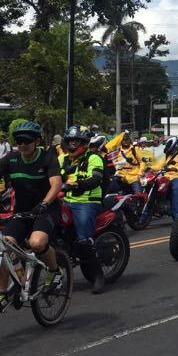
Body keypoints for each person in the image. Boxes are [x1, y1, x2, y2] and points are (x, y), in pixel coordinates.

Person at [0, 121, 63, 303]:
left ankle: (55, 271)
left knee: (36, 243)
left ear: (37, 141)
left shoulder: (48, 158)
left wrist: (44, 203)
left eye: (27, 141)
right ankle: (2, 293)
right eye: (19, 141)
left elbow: (56, 185)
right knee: (5, 245)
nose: (22, 145)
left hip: (45, 209)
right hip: (21, 211)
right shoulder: (11, 158)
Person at [60, 125, 107, 294]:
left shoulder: (94, 158)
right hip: (64, 200)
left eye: (76, 141)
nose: (72, 144)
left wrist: (76, 185)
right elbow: (52, 176)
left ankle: (98, 275)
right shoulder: (63, 159)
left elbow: (96, 179)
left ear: (84, 143)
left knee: (84, 241)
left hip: (87, 202)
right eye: (70, 141)